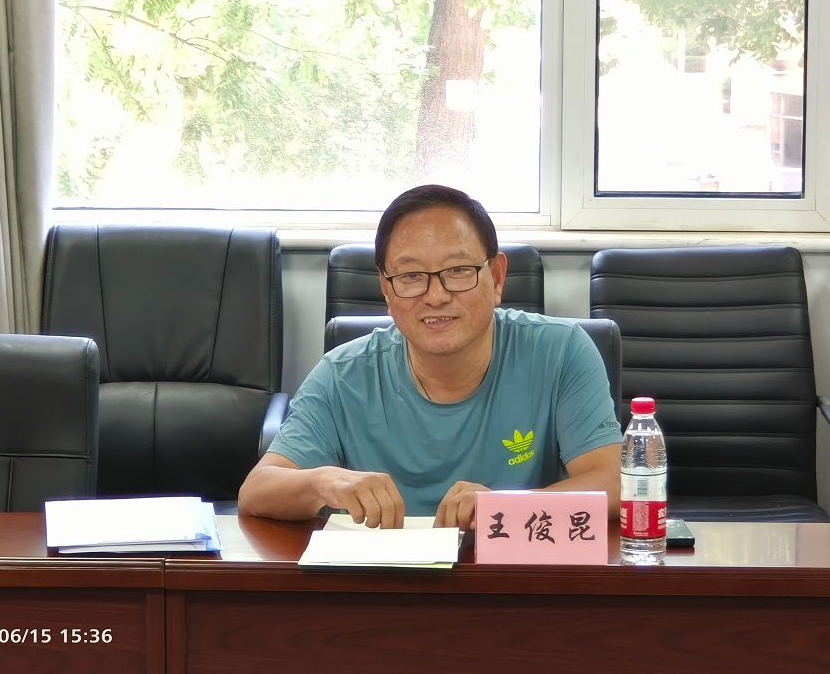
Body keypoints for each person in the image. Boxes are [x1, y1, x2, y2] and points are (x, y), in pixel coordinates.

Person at [238, 184, 622, 529]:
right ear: (386, 290)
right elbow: (256, 492)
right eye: (410, 276)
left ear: (496, 277)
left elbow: (614, 482)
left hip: (510, 573)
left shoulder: (562, 351)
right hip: (382, 576)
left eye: (458, 270)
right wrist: (323, 481)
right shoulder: (342, 375)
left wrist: (504, 508)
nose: (436, 296)